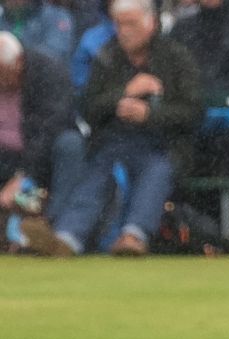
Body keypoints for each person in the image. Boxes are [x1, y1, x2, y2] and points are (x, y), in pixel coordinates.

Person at [23, 0, 202, 258]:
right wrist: (123, 94)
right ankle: (67, 238)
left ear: (151, 24)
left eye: (131, 24)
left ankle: (134, 235)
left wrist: (150, 115)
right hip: (113, 141)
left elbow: (192, 112)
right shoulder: (107, 57)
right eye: (119, 24)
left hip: (163, 144)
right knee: (95, 175)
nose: (124, 31)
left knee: (156, 171)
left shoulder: (177, 58)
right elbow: (89, 108)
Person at [0, 29, 70, 228]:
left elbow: (49, 129)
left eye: (2, 73)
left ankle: (54, 225)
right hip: (5, 155)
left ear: (18, 62)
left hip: (37, 156)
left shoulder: (48, 73)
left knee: (69, 146)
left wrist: (23, 175)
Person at [0, 0, 73, 63]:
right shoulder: (2, 18)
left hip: (39, 73)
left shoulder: (56, 17)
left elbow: (54, 54)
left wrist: (13, 53)